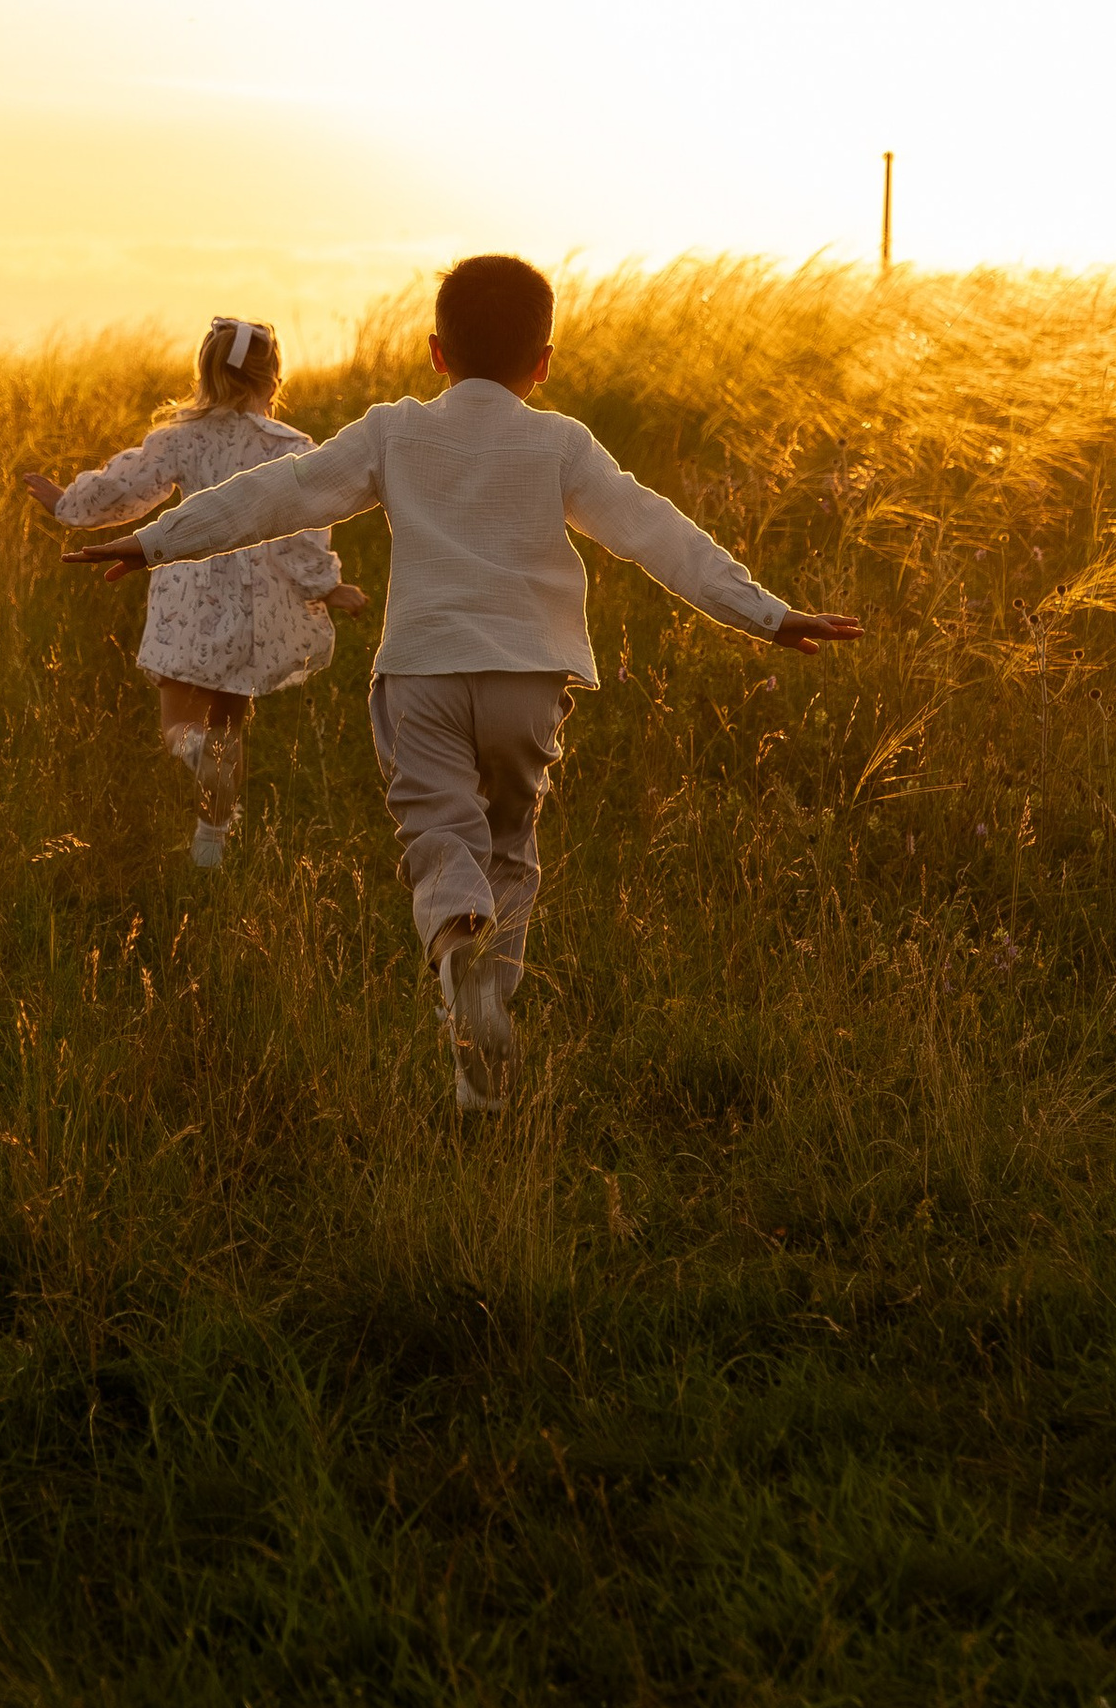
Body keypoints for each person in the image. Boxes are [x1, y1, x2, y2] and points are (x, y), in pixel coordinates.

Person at [69, 254, 861, 1104]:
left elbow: (279, 495)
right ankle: (483, 1056)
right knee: (510, 845)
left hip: (421, 671)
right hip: (529, 677)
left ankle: (455, 936)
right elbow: (651, 530)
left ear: (437, 351)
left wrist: (156, 540)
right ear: (545, 361)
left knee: (440, 836)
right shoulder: (563, 443)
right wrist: (766, 614)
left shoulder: (394, 429)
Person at [25, 315, 368, 867]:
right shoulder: (291, 448)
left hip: (188, 596)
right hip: (255, 603)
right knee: (230, 726)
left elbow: (127, 488)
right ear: (274, 377)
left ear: (202, 374)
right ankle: (211, 848)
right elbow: (303, 525)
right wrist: (326, 585)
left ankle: (191, 750)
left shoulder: (180, 439)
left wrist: (69, 503)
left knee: (180, 725)